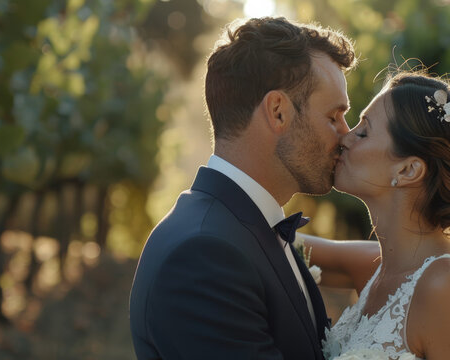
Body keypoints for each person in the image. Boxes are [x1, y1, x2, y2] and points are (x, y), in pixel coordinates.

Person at [129, 17, 357, 359]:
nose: (347, 134)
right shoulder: (203, 256)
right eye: (333, 116)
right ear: (278, 112)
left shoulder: (245, 228)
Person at [298, 71, 450, 359]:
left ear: (408, 170)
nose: (345, 136)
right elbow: (271, 242)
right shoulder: (373, 267)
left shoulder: (449, 285)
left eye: (364, 131)